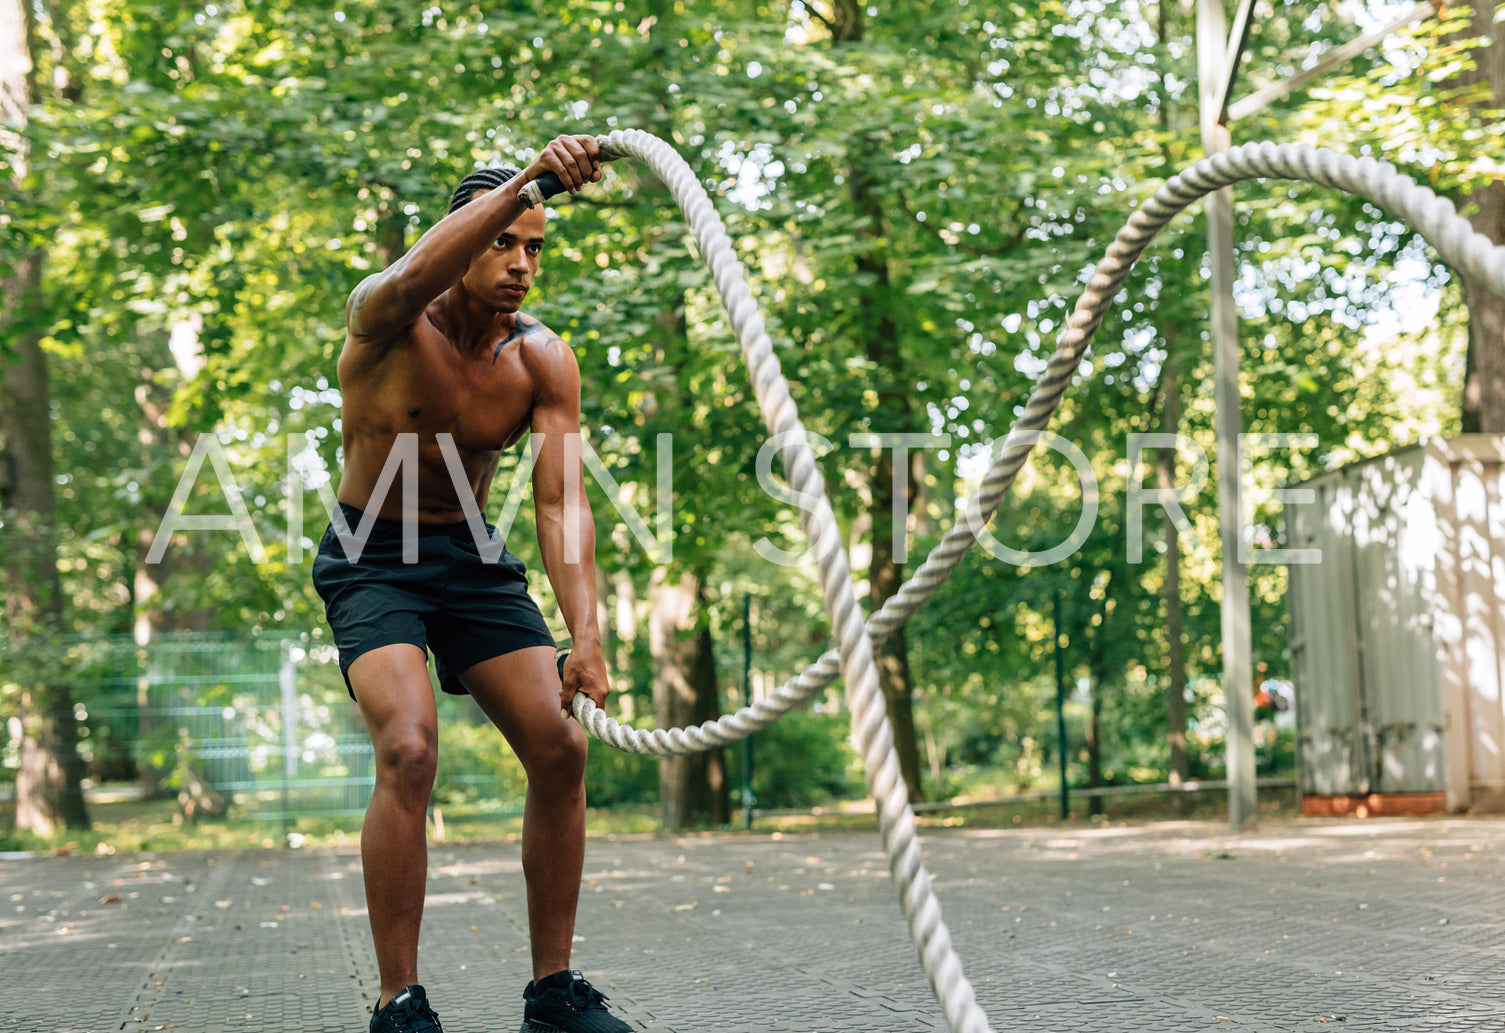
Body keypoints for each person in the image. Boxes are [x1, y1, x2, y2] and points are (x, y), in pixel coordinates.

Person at [311, 133, 633, 1033]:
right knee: (410, 749)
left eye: (536, 246)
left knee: (561, 750)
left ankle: (553, 995)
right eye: (505, 241)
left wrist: (587, 634)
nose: (524, 263)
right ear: (461, 234)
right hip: (371, 557)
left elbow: (562, 503)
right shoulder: (385, 319)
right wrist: (528, 173)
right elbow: (410, 276)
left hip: (472, 562)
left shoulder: (542, 360)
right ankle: (399, 1002)